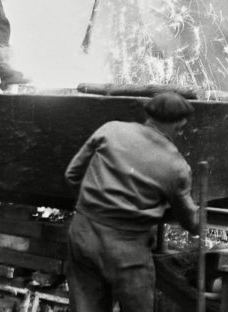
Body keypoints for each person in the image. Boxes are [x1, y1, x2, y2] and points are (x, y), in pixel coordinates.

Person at [65, 92, 200, 312]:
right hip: (127, 248)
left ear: (148, 114)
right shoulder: (177, 167)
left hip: (83, 233)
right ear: (179, 125)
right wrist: (200, 215)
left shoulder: (110, 130)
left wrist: (99, 199)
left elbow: (72, 176)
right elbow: (191, 223)